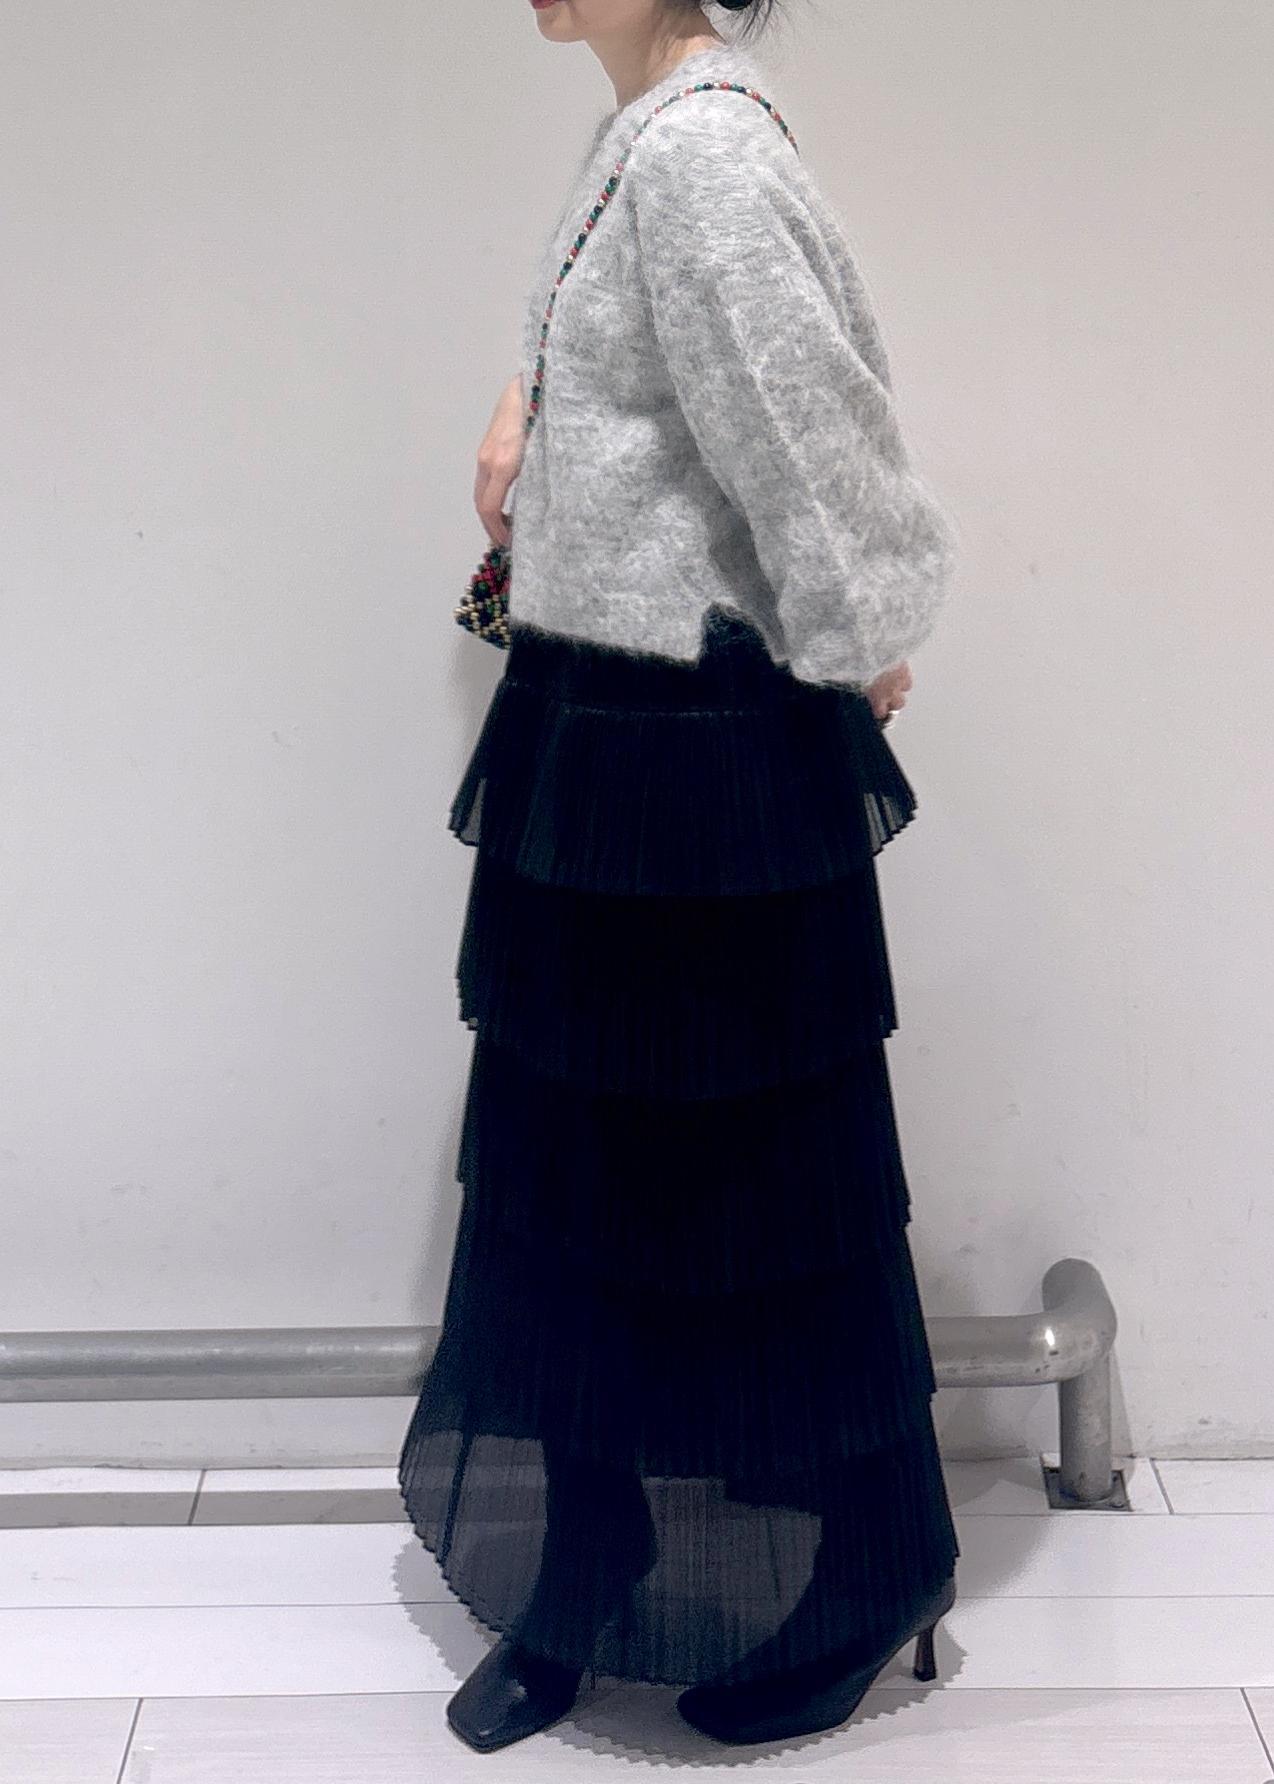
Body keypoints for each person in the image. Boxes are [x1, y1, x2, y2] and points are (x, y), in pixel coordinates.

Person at [398, 0, 961, 1754]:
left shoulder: (703, 147)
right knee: (579, 1175)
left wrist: (864, 636)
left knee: (756, 1186)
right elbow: (661, 376)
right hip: (604, 719)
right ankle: (592, 1550)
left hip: (695, 745)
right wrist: (525, 404)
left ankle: (863, 1571)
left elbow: (807, 432)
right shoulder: (647, 131)